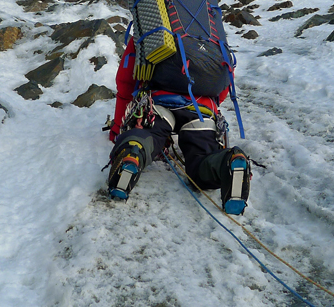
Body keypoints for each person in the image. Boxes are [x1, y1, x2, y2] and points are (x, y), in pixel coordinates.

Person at [106, 35, 252, 214]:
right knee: (201, 157)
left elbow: (126, 81)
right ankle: (226, 162)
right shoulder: (211, 31)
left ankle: (133, 152)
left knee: (149, 136)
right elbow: (222, 80)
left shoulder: (148, 27)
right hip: (201, 108)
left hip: (159, 102)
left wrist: (117, 129)